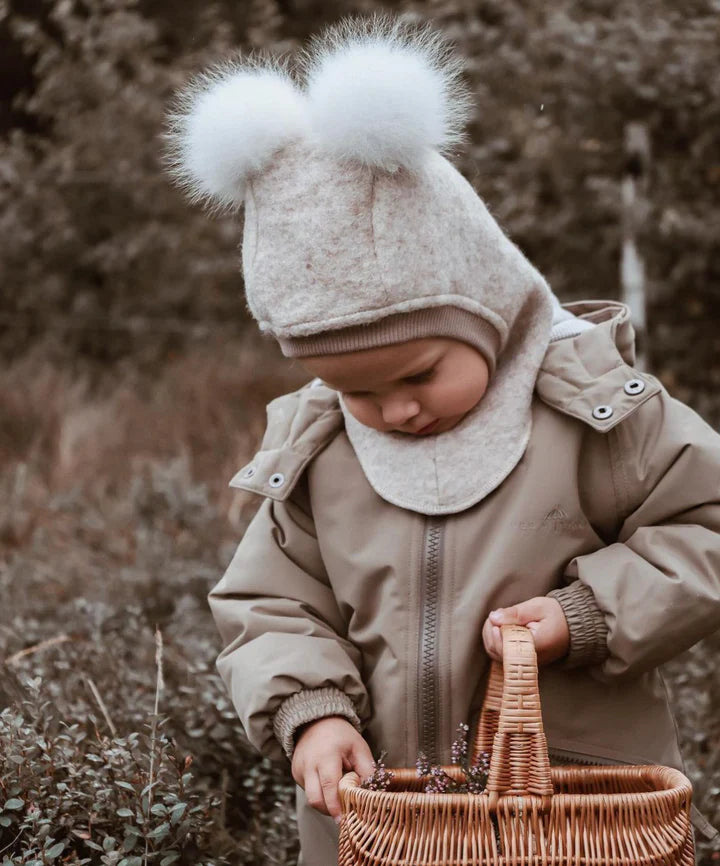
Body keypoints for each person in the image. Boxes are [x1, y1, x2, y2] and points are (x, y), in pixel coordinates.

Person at [164, 14, 720, 864]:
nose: (396, 412)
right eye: (358, 389)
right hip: (382, 826)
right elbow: (270, 603)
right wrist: (310, 710)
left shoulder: (593, 411)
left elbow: (706, 531)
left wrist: (586, 614)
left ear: (485, 307)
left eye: (420, 374)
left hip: (574, 816)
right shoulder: (321, 453)